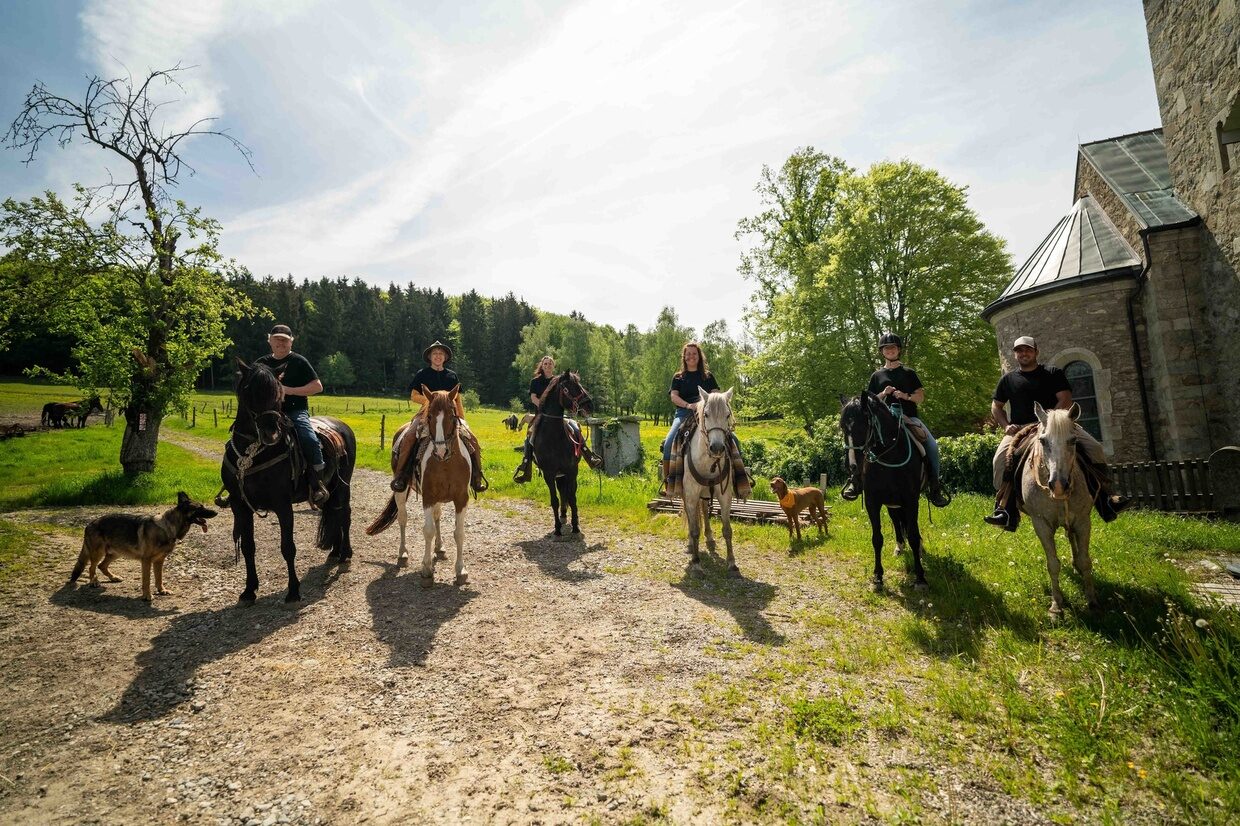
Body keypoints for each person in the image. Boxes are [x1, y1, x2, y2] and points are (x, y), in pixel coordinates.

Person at [984, 335, 1131, 529]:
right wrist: (1005, 425)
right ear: (1015, 354)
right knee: (1000, 461)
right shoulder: (1008, 380)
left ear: (1036, 351)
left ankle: (1107, 499)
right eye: (1019, 350)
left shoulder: (1053, 373)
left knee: (1094, 448)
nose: (1023, 353)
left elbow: (1065, 399)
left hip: (1058, 425)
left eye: (1027, 349)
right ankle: (1005, 509)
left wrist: (1049, 421)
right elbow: (996, 407)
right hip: (1021, 428)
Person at [843, 332, 951, 507]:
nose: (890, 350)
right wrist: (883, 394)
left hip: (908, 418)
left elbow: (920, 397)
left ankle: (935, 487)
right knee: (859, 443)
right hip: (882, 423)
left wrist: (905, 396)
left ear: (898, 350)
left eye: (893, 347)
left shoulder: (909, 373)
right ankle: (855, 482)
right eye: (887, 348)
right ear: (882, 352)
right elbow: (869, 401)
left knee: (932, 446)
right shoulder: (876, 376)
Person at [390, 340, 487, 494]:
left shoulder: (452, 375)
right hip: (426, 414)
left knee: (472, 439)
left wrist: (462, 418)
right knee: (409, 436)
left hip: (449, 416)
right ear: (429, 357)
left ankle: (477, 477)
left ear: (445, 357)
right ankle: (401, 476)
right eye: (435, 353)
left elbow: (458, 400)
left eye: (441, 354)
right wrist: (430, 401)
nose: (438, 356)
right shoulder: (422, 374)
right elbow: (414, 395)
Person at [659, 341, 750, 497]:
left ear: (699, 356)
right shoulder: (678, 377)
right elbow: (674, 397)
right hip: (684, 414)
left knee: (735, 440)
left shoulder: (707, 376)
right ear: (684, 357)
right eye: (688, 354)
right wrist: (689, 405)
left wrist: (711, 402)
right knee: (669, 444)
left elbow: (716, 394)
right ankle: (669, 484)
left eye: (694, 353)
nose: (691, 356)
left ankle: (738, 481)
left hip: (708, 415)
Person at [255, 324, 330, 507]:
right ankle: (234, 484)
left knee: (309, 439)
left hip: (295, 411)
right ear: (269, 340)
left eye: (284, 340)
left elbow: (317, 387)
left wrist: (289, 390)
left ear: (291, 342)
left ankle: (317, 483)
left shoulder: (299, 361)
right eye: (277, 339)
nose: (280, 343)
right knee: (240, 438)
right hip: (266, 413)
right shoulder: (260, 364)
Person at [512, 355, 603, 483]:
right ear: (541, 366)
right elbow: (533, 398)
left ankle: (589, 456)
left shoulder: (558, 381)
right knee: (530, 435)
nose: (548, 365)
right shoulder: (535, 381)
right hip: (541, 414)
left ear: (553, 366)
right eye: (545, 364)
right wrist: (544, 407)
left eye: (550, 363)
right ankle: (526, 465)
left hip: (558, 415)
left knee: (575, 428)